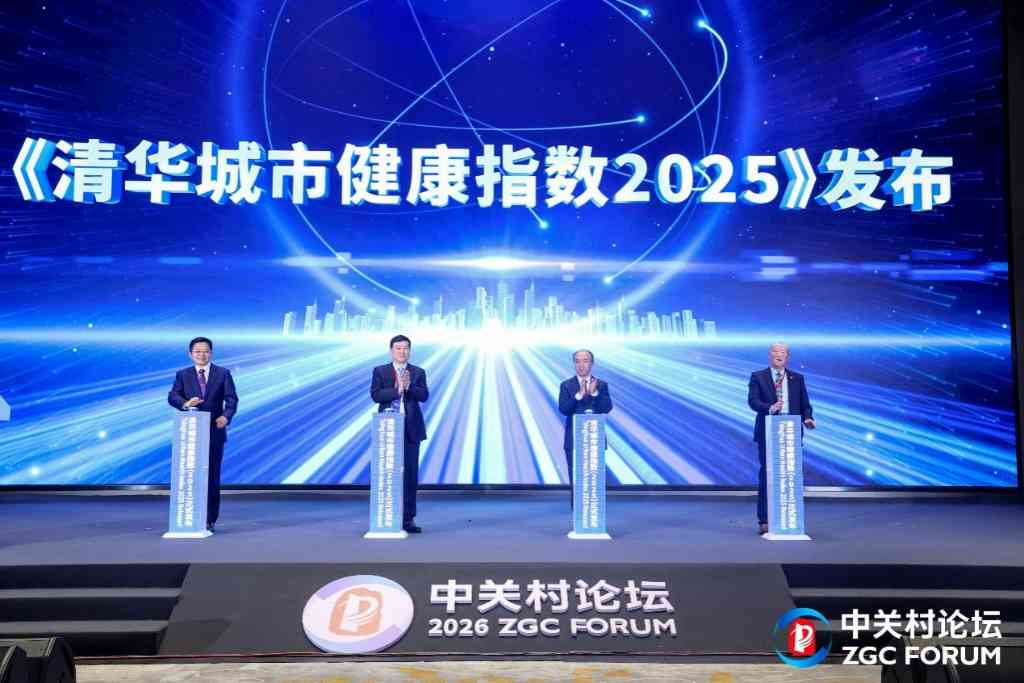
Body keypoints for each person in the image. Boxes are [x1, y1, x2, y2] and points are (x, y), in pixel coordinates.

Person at [167, 337, 238, 531]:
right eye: (197, 351)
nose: (201, 355)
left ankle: (209, 519)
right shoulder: (182, 375)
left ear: (211, 353)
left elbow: (232, 400)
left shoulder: (223, 373)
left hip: (214, 431)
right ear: (190, 354)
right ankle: (187, 517)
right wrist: (185, 403)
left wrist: (226, 417)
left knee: (212, 476)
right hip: (190, 433)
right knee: (189, 475)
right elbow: (172, 396)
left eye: (205, 351)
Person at [747, 342, 815, 535]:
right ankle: (765, 520)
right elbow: (752, 401)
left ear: (787, 356)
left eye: (783, 352)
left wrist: (808, 418)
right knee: (767, 474)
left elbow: (805, 404)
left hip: (790, 431)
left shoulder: (797, 378)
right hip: (768, 430)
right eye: (775, 351)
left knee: (790, 475)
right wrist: (769, 408)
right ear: (770, 355)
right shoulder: (758, 376)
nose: (779, 354)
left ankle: (789, 518)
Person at [370, 335, 429, 533]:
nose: (402, 351)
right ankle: (386, 518)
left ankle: (407, 519)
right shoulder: (380, 371)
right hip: (387, 427)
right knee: (386, 473)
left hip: (411, 428)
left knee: (410, 475)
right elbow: (376, 395)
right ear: (391, 350)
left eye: (406, 348)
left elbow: (424, 396)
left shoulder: (418, 372)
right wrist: (398, 389)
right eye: (398, 348)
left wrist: (409, 387)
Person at [558, 349, 613, 498]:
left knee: (594, 483)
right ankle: (576, 512)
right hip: (574, 441)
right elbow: (564, 410)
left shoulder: (601, 385)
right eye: (577, 361)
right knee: (576, 482)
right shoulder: (566, 385)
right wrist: (578, 395)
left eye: (585, 361)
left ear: (592, 363)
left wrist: (595, 394)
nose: (581, 365)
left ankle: (593, 513)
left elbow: (606, 408)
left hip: (594, 441)